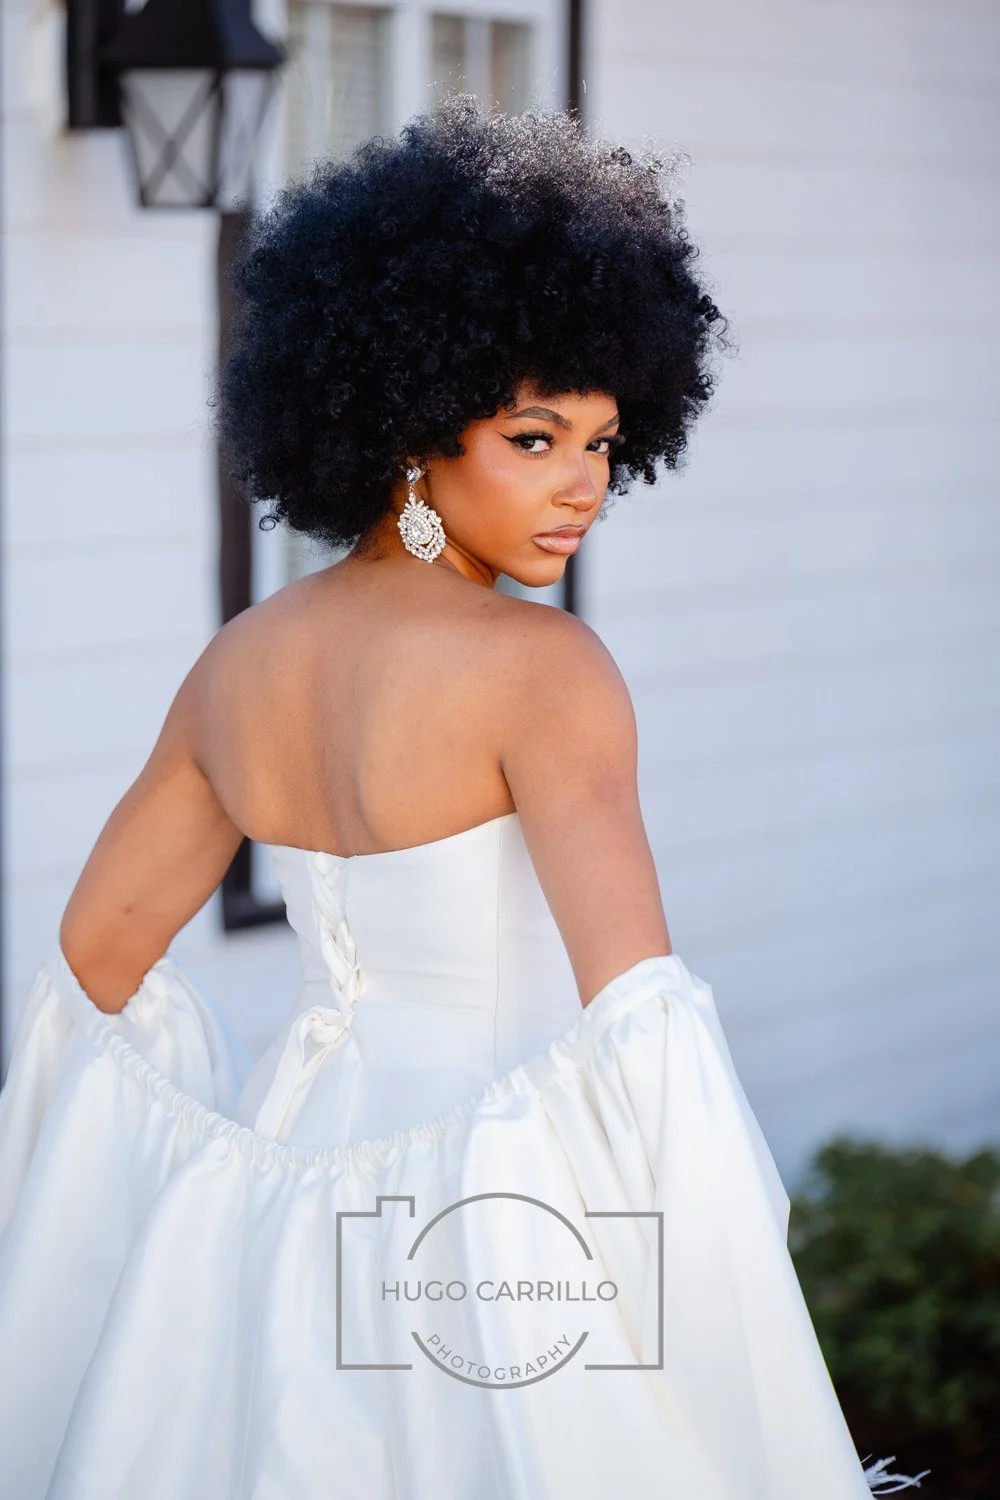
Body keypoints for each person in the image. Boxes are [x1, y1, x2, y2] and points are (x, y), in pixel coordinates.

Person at [0, 100, 924, 1499]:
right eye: (536, 439)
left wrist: (204, 1183)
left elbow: (94, 969)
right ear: (415, 427)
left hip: (283, 1199)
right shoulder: (544, 672)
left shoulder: (238, 665)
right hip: (502, 1233)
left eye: (607, 445)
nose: (585, 490)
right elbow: (638, 1019)